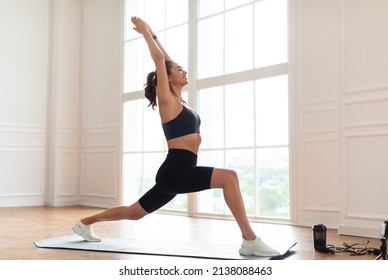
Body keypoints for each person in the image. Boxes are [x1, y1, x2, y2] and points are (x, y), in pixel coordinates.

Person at [72, 16, 279, 257]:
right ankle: (250, 240)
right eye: (179, 69)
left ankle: (84, 222)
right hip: (175, 170)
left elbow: (166, 59)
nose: (184, 70)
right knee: (229, 177)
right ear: (167, 78)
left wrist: (153, 32)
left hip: (180, 170)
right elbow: (161, 60)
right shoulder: (166, 100)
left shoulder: (182, 101)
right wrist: (145, 34)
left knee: (134, 212)